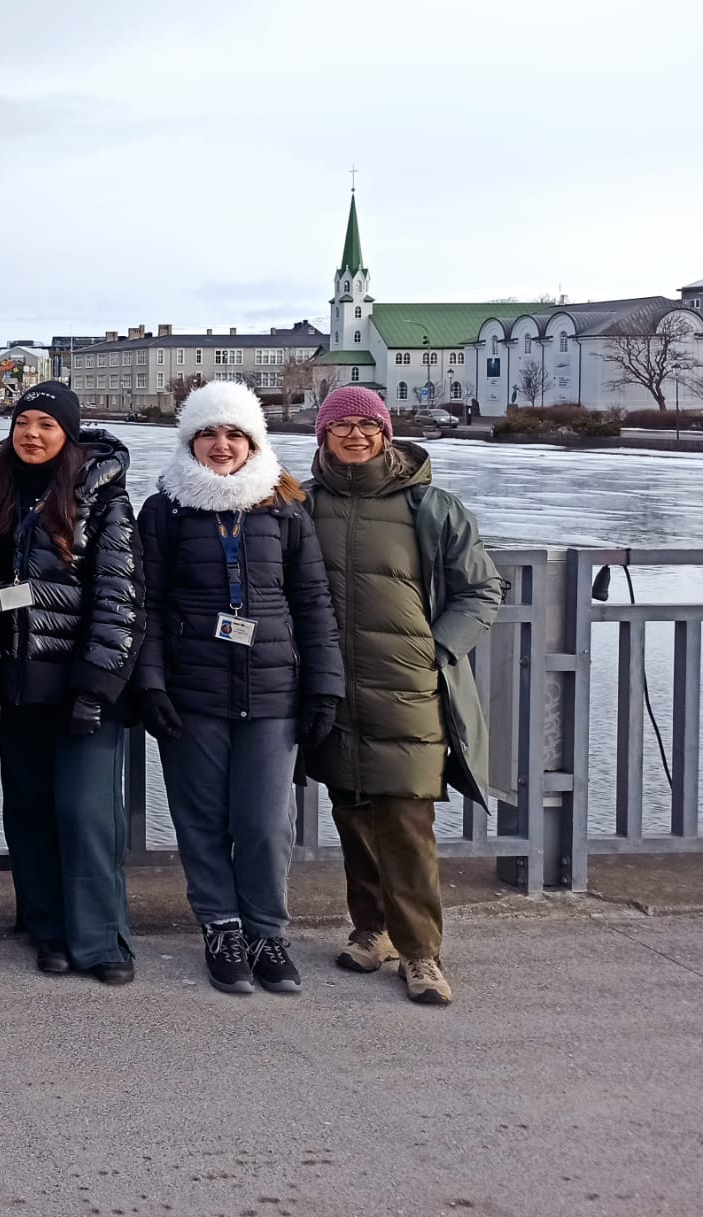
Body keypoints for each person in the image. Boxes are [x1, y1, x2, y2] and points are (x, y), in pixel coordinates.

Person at [134, 381, 344, 995]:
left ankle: (266, 931)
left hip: (275, 691)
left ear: (253, 442)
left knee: (262, 822)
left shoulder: (284, 509)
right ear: (189, 440)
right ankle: (220, 926)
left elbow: (313, 603)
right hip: (192, 688)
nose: (220, 446)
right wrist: (150, 682)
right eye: (208, 433)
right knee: (200, 819)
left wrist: (323, 687)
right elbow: (147, 603)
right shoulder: (165, 511)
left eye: (233, 434)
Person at [303, 386, 504, 1006]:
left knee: (407, 820)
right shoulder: (303, 505)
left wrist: (436, 650)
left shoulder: (433, 506)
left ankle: (422, 954)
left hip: (410, 688)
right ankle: (372, 930)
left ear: (386, 434)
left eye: (368, 425)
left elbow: (481, 590)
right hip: (335, 689)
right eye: (343, 426)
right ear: (323, 436)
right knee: (354, 814)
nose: (356, 435)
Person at [0, 381, 143, 985]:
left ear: (68, 434)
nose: (32, 434)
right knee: (28, 807)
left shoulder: (102, 496)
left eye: (47, 424)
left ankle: (101, 939)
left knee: (86, 812)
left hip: (80, 680)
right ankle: (46, 926)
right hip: (20, 679)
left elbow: (118, 594)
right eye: (24, 422)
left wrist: (96, 682)